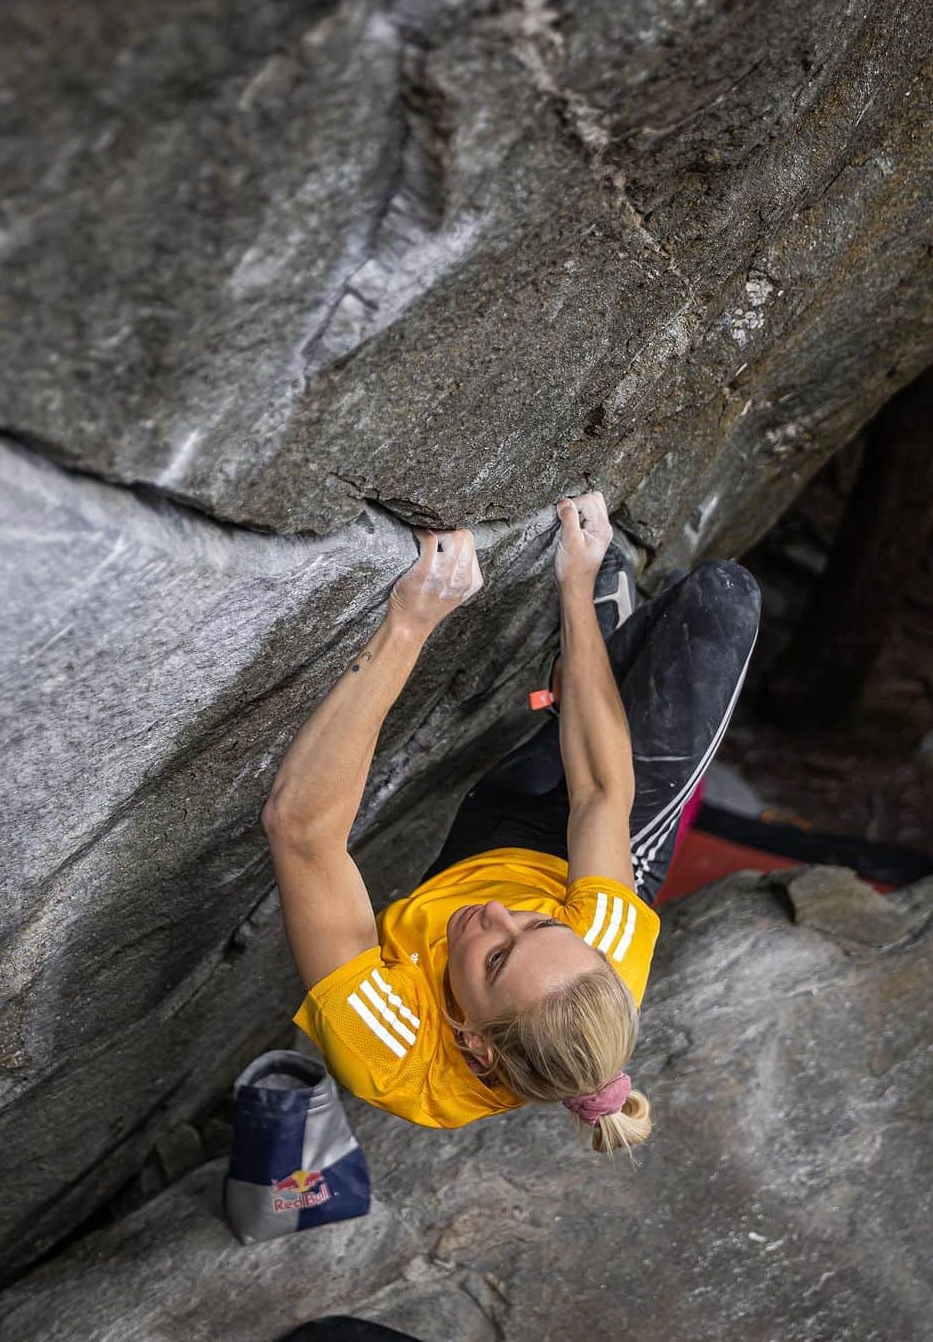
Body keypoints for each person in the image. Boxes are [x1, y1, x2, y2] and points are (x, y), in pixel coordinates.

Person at [261, 493, 761, 1153]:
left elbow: (300, 829)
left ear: (473, 1040)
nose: (497, 913)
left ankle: (576, 691)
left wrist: (410, 623)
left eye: (497, 959)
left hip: (488, 834)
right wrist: (575, 588)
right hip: (601, 844)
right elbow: (602, 793)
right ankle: (581, 670)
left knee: (543, 765)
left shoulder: (397, 1054)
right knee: (724, 599)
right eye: (538, 924)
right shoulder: (599, 943)